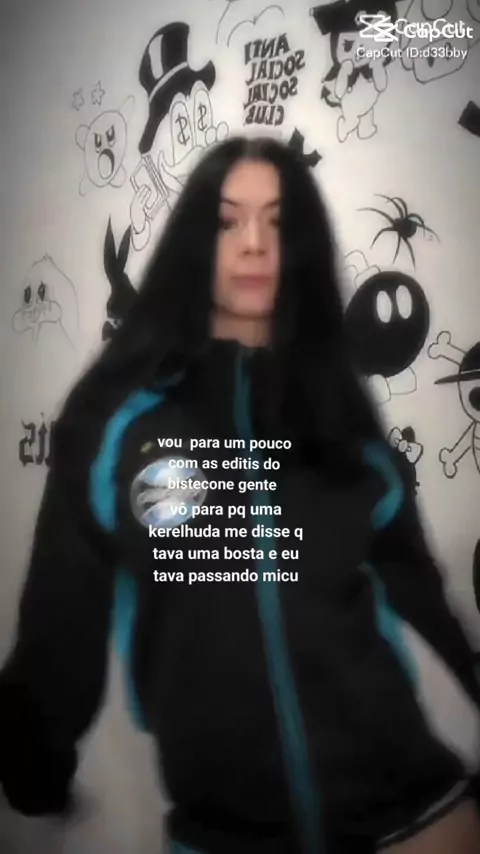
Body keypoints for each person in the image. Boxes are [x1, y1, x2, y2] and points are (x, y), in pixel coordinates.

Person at [0, 135, 480, 854]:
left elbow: (419, 599)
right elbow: (58, 621)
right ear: (197, 239)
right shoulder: (120, 420)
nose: (254, 243)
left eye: (277, 222)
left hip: (414, 819)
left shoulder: (340, 416)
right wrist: (33, 770)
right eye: (229, 221)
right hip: (223, 835)